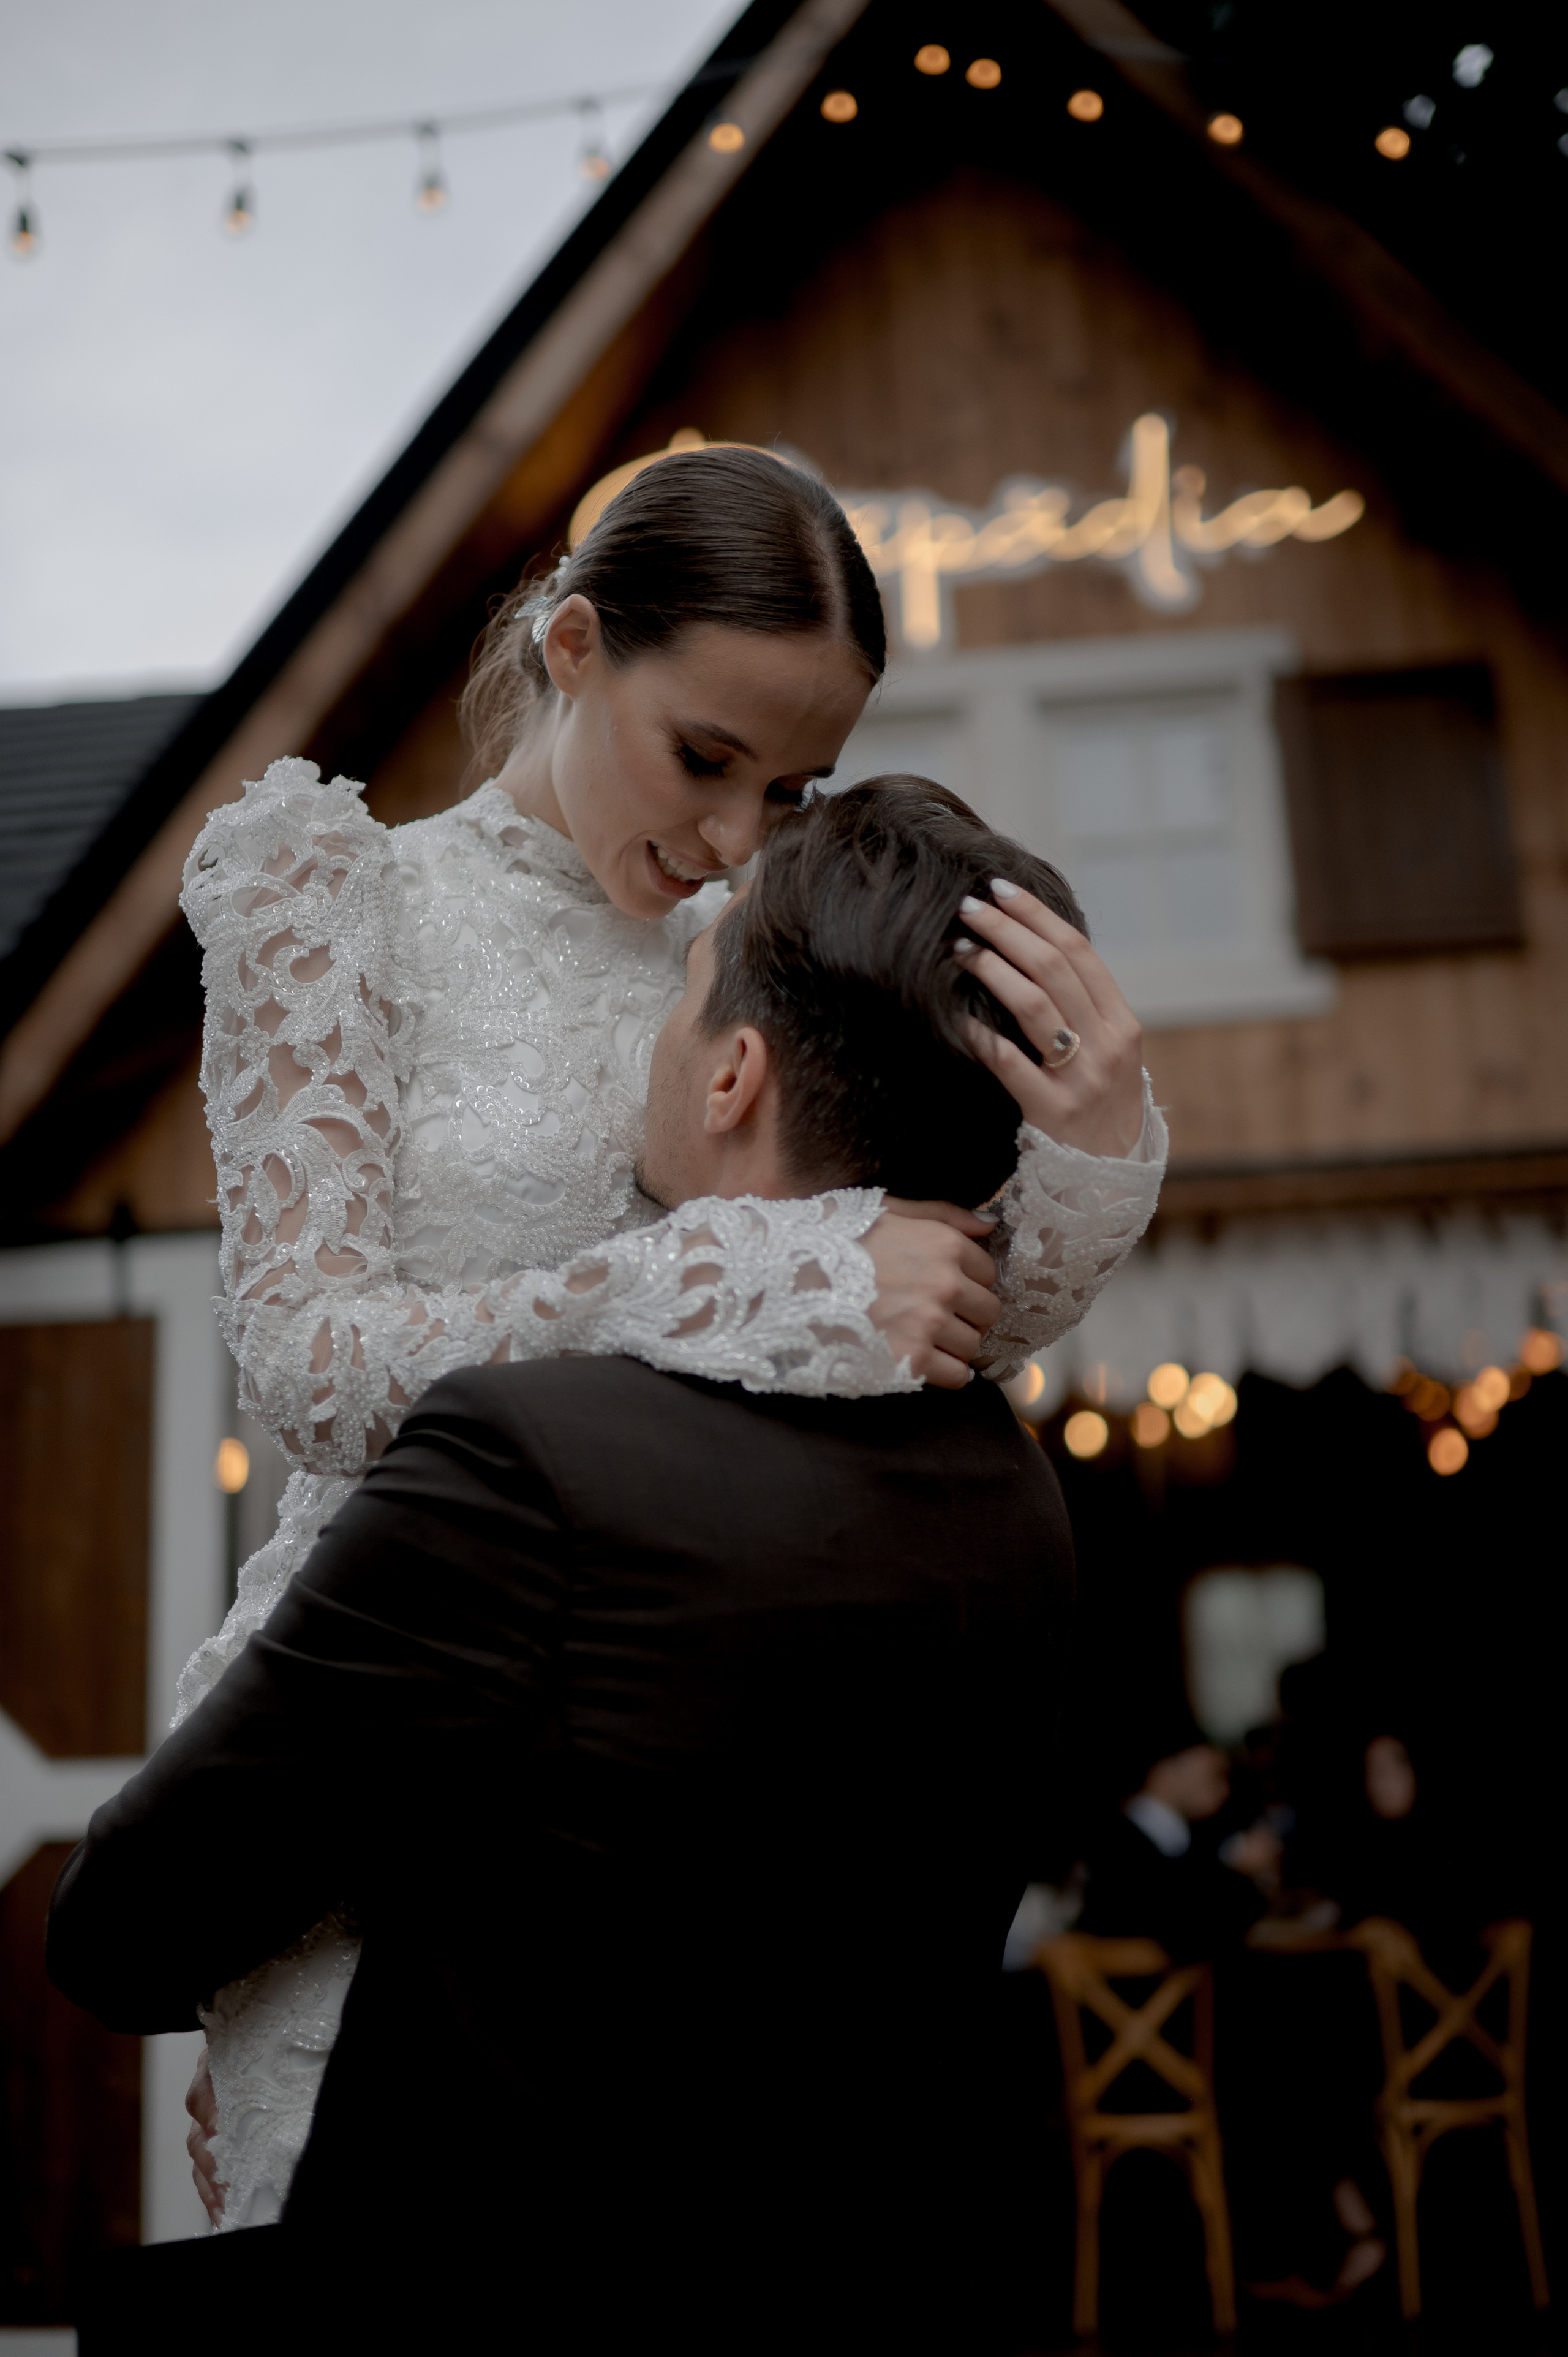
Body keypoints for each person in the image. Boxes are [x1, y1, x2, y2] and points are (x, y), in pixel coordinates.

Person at [174, 447, 1166, 2226]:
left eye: (790, 784)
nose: (730, 835)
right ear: (571, 648)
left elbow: (904, 1319)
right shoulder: (336, 900)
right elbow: (308, 1370)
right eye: (704, 757)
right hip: (400, 1727)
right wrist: (699, 1276)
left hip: (689, 1763)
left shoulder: (765, 953)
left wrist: (1088, 1147)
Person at [50, 779, 1126, 2349]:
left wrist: (304, 2013)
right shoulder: (1009, 1492)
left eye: (685, 991)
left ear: (734, 1074)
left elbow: (130, 1926)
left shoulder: (529, 1462)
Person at [1077, 1709, 1279, 1960]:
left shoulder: (1195, 1839)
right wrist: (1234, 1870)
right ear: (1165, 1772)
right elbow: (1182, 1929)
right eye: (1213, 1777)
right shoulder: (1116, 1843)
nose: (1223, 1791)